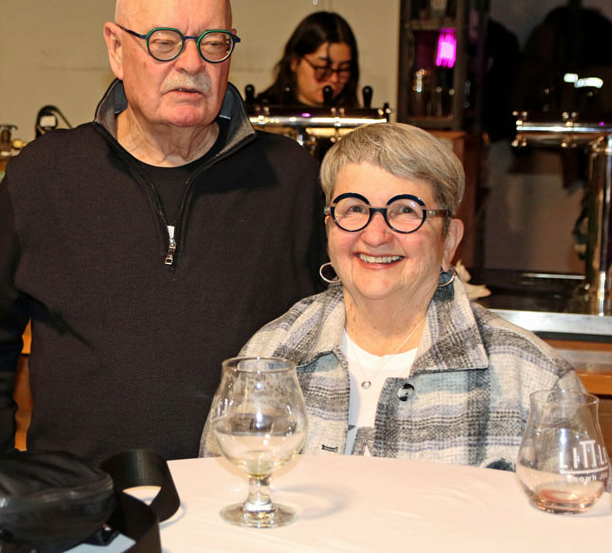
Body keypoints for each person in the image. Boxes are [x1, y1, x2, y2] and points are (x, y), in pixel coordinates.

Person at [0, 0, 327, 461]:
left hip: (247, 502)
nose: (192, 65)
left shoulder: (292, 180)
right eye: (164, 43)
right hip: (87, 511)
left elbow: (343, 338)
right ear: (116, 48)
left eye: (213, 44)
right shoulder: (45, 176)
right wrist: (1, 474)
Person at [202, 122, 580, 469]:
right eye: (355, 209)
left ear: (448, 241)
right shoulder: (269, 357)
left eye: (404, 211)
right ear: (329, 231)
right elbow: (220, 508)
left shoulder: (535, 381)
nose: (376, 235)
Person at [255, 11, 360, 108]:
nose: (334, 79)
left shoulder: (356, 120)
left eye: (343, 70)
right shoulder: (253, 116)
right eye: (323, 69)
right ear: (294, 62)